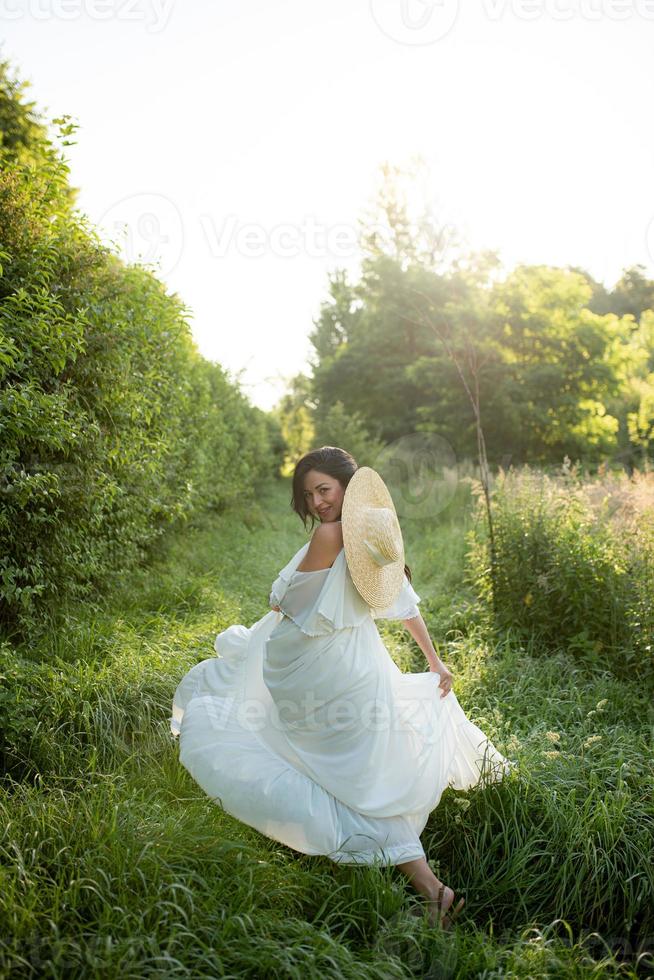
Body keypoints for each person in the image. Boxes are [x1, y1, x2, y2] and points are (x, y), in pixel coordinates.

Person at [170, 446, 515, 929]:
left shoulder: (331, 536)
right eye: (309, 493)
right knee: (354, 772)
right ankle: (431, 889)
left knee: (333, 770)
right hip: (356, 662)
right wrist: (434, 661)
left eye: (324, 489)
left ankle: (434, 890)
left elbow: (287, 602)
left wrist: (265, 625)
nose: (317, 502)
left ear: (346, 487)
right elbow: (404, 602)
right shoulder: (369, 534)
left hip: (318, 667)